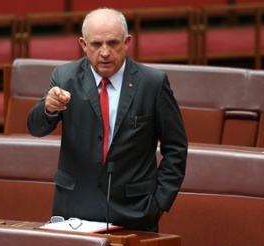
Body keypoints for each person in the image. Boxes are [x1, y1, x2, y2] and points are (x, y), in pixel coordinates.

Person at [27, 8, 187, 232]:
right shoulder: (65, 77)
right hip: (73, 210)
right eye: (96, 44)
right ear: (83, 44)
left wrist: (159, 203)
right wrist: (48, 108)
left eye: (112, 43)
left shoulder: (152, 83)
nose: (105, 52)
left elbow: (176, 147)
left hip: (134, 211)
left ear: (127, 42)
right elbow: (35, 128)